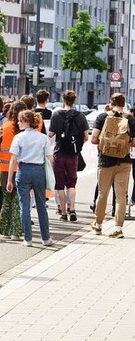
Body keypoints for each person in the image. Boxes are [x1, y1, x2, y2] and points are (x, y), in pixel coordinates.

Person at [90, 93, 135, 238]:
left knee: (103, 194)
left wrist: (106, 144)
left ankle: (98, 225)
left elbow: (94, 139)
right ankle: (118, 228)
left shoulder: (103, 117)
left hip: (105, 162)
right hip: (124, 162)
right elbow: (133, 142)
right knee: (121, 196)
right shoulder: (130, 119)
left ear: (111, 102)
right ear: (124, 103)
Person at [6, 110, 53, 247]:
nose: (18, 123)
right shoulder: (43, 137)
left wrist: (9, 179)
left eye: (20, 120)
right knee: (41, 205)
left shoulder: (19, 137)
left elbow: (13, 159)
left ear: (26, 121)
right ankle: (46, 238)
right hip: (39, 170)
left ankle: (28, 239)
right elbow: (50, 158)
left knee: (24, 206)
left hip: (23, 170)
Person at [48, 90, 88, 222]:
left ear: (63, 100)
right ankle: (73, 209)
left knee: (59, 184)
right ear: (74, 100)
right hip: (73, 154)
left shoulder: (56, 114)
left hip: (59, 152)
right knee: (71, 184)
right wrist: (77, 144)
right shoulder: (80, 116)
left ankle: (64, 212)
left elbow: (51, 134)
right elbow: (86, 136)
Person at [0, 101, 26, 240]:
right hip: (21, 169)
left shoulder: (3, 127)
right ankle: (16, 231)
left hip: (5, 169)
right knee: (18, 202)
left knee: (6, 200)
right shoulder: (26, 130)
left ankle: (4, 230)